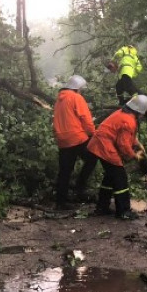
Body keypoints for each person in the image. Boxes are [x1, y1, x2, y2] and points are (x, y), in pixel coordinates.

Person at [87, 94, 147, 220]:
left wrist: (138, 144)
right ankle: (123, 211)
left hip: (99, 145)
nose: (144, 116)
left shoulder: (123, 114)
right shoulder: (129, 121)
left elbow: (127, 135)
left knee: (110, 177)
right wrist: (135, 156)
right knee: (120, 177)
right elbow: (123, 145)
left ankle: (102, 207)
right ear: (139, 111)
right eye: (144, 113)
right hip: (104, 147)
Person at [52, 75, 98, 210]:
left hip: (62, 140)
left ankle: (61, 201)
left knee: (65, 171)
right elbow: (86, 118)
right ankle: (80, 187)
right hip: (77, 138)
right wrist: (93, 133)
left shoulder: (59, 99)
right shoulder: (76, 97)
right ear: (77, 88)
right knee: (92, 158)